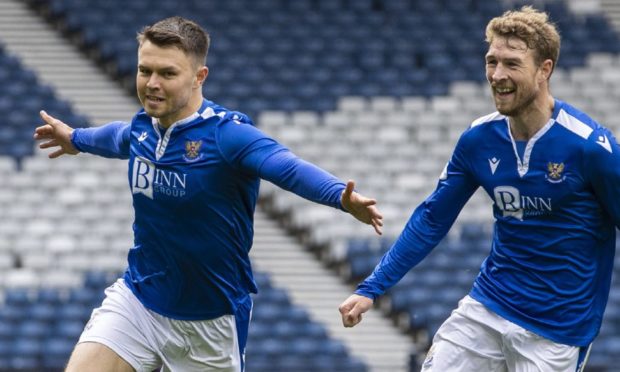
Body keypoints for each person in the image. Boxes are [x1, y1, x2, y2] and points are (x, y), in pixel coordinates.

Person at [34, 16, 383, 372]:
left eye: (167, 74)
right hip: (138, 301)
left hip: (209, 324)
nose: (152, 84)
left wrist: (340, 196)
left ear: (199, 77)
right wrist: (76, 139)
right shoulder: (143, 127)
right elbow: (115, 137)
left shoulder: (227, 136)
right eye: (145, 70)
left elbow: (287, 167)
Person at [339, 6, 620, 372]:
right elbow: (431, 219)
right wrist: (370, 288)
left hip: (557, 332)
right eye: (492, 61)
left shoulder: (589, 147)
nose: (497, 75)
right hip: (488, 307)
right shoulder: (478, 140)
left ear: (545, 69)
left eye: (512, 64)